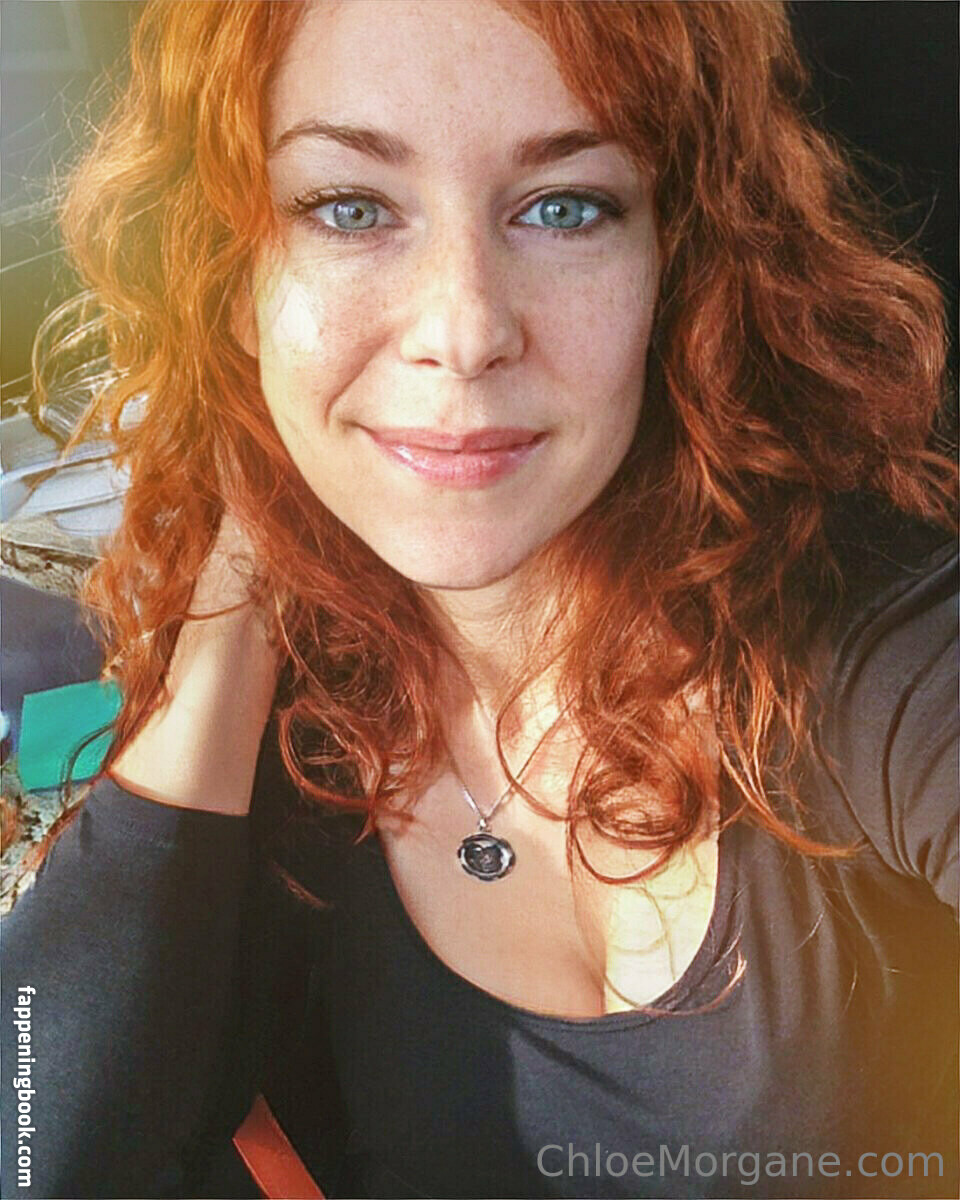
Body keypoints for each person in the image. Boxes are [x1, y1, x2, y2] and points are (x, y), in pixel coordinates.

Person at [1, 2, 956, 1197]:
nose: (464, 332)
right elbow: (41, 1144)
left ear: (677, 259)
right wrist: (240, 567)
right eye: (349, 209)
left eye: (565, 207)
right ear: (230, 279)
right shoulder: (295, 735)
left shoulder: (874, 649)